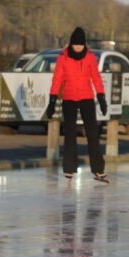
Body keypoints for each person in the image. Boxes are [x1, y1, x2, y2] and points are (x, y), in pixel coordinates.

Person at [45, 26, 108, 182]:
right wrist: (52, 99)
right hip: (69, 98)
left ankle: (98, 169)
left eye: (81, 45)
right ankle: (69, 168)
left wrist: (101, 97)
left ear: (84, 44)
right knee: (70, 134)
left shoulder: (90, 58)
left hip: (86, 97)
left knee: (92, 134)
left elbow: (96, 77)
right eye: (76, 45)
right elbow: (57, 79)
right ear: (71, 44)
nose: (78, 47)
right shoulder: (63, 58)